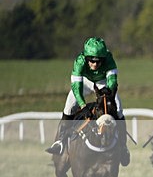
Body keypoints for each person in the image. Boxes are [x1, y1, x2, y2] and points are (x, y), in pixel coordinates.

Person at [46, 36, 130, 166]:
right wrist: (82, 105)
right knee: (69, 106)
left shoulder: (109, 59)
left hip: (102, 83)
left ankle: (123, 146)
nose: (95, 64)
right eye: (91, 61)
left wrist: (110, 93)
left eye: (98, 61)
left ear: (103, 58)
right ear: (86, 58)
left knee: (118, 108)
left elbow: (112, 81)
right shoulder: (79, 62)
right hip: (84, 82)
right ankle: (60, 142)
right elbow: (76, 87)